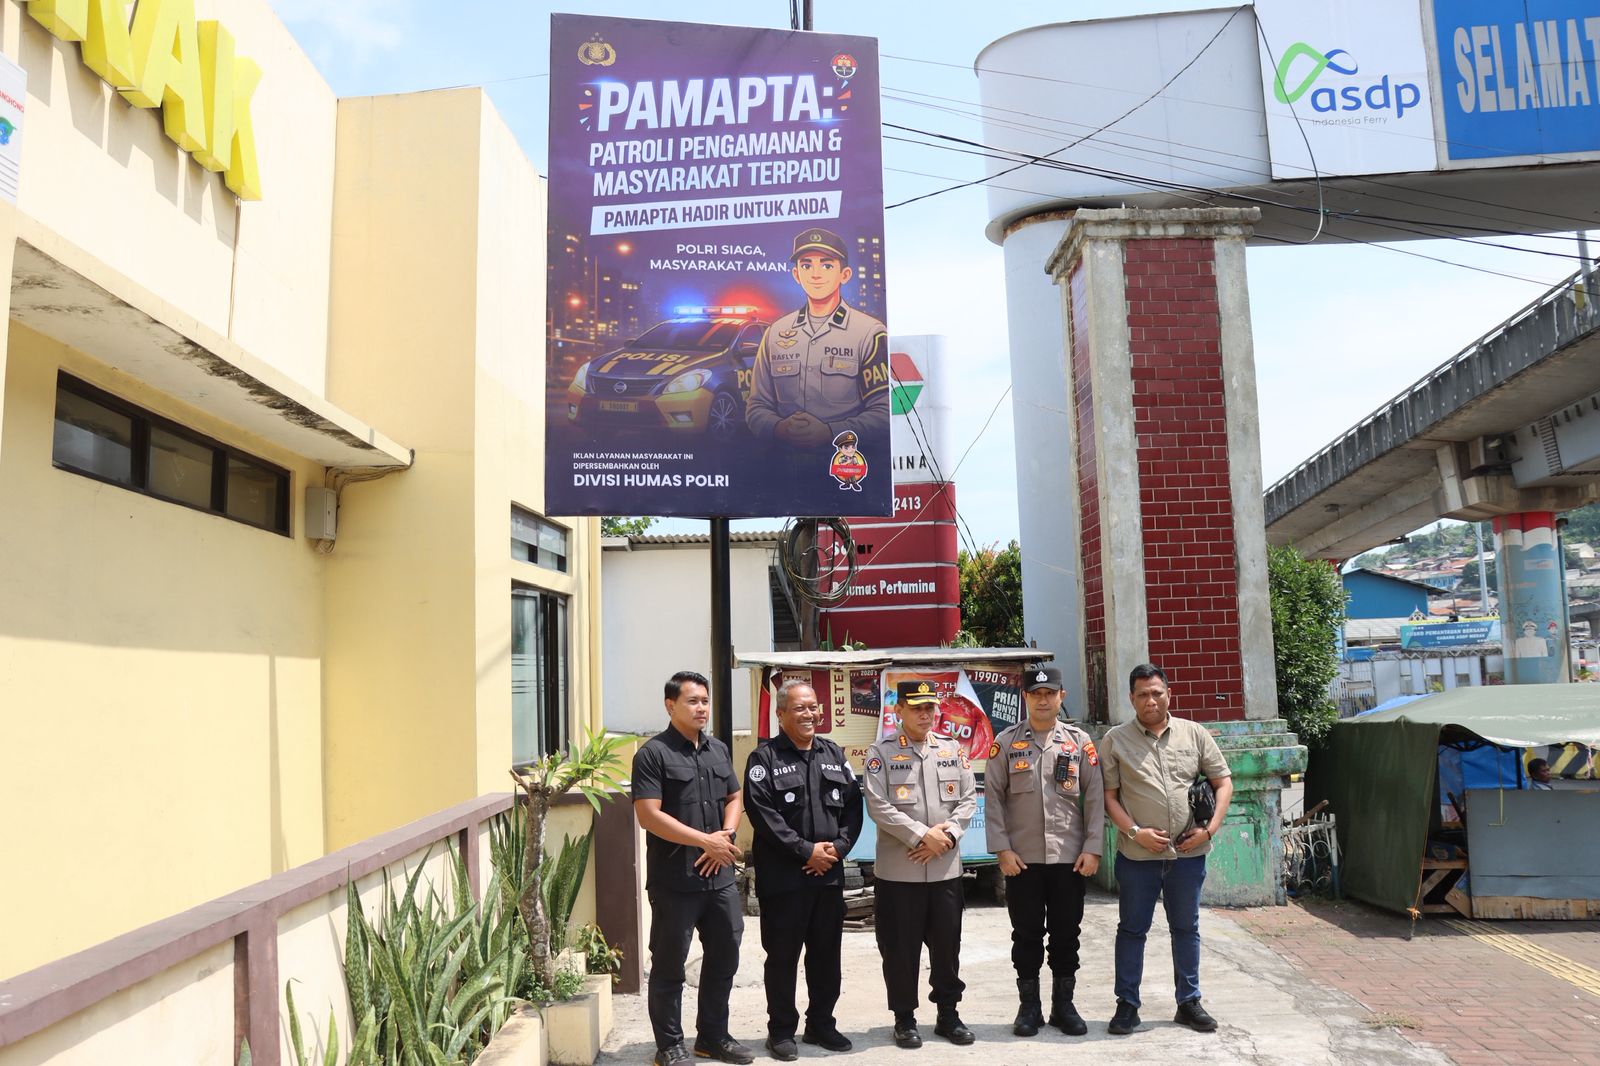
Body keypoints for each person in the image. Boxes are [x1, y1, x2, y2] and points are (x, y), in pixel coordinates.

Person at [1100, 664, 1234, 1037]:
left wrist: (1209, 830)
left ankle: (1188, 1002)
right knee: (1132, 930)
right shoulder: (1115, 740)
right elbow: (1109, 798)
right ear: (1132, 699)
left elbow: (1223, 783)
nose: (1151, 700)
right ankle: (1127, 1005)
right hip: (1138, 856)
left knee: (1186, 928)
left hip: (1187, 855)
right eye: (1143, 694)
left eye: (1157, 693)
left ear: (1168, 694)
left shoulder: (1195, 734)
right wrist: (1135, 832)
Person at [631, 671, 755, 1065]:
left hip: (719, 878)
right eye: (692, 701)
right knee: (670, 966)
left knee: (725, 956)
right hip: (675, 880)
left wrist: (726, 835)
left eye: (705, 700)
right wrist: (705, 841)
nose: (702, 708)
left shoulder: (718, 749)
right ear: (671, 706)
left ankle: (713, 1038)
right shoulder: (652, 754)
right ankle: (669, 1046)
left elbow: (734, 796)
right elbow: (649, 816)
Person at [743, 680, 864, 1060]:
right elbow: (763, 815)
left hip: (827, 877)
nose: (809, 714)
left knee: (827, 956)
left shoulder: (833, 754)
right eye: (799, 708)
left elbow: (853, 807)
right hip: (784, 880)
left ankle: (821, 1024)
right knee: (782, 958)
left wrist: (838, 848)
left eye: (813, 707)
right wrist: (805, 850)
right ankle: (780, 1031)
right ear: (780, 714)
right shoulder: (763, 759)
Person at [984, 664, 1104, 1038]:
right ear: (1025, 698)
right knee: (1026, 935)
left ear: (1060, 696)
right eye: (1036, 694)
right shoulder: (1005, 743)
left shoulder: (1078, 742)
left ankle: (1063, 1006)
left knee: (1066, 934)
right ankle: (1029, 1007)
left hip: (1069, 859)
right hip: (1022, 861)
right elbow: (993, 798)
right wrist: (1002, 850)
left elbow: (1095, 796)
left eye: (1049, 694)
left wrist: (1093, 848)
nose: (1043, 700)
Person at [862, 680, 978, 1049]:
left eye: (930, 707)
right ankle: (904, 1018)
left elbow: (968, 798)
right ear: (899, 711)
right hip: (900, 873)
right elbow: (878, 805)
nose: (925, 714)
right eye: (916, 708)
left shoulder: (951, 748)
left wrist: (948, 835)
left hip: (944, 869)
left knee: (947, 947)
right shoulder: (881, 753)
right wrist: (922, 836)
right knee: (900, 949)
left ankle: (948, 1014)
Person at [745, 228, 889, 450]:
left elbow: (884, 412)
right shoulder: (775, 333)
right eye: (806, 266)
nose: (815, 274)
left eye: (827, 265)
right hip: (782, 463)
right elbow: (756, 407)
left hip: (844, 463)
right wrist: (780, 428)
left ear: (845, 275)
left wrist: (831, 433)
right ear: (796, 275)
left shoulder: (869, 332)